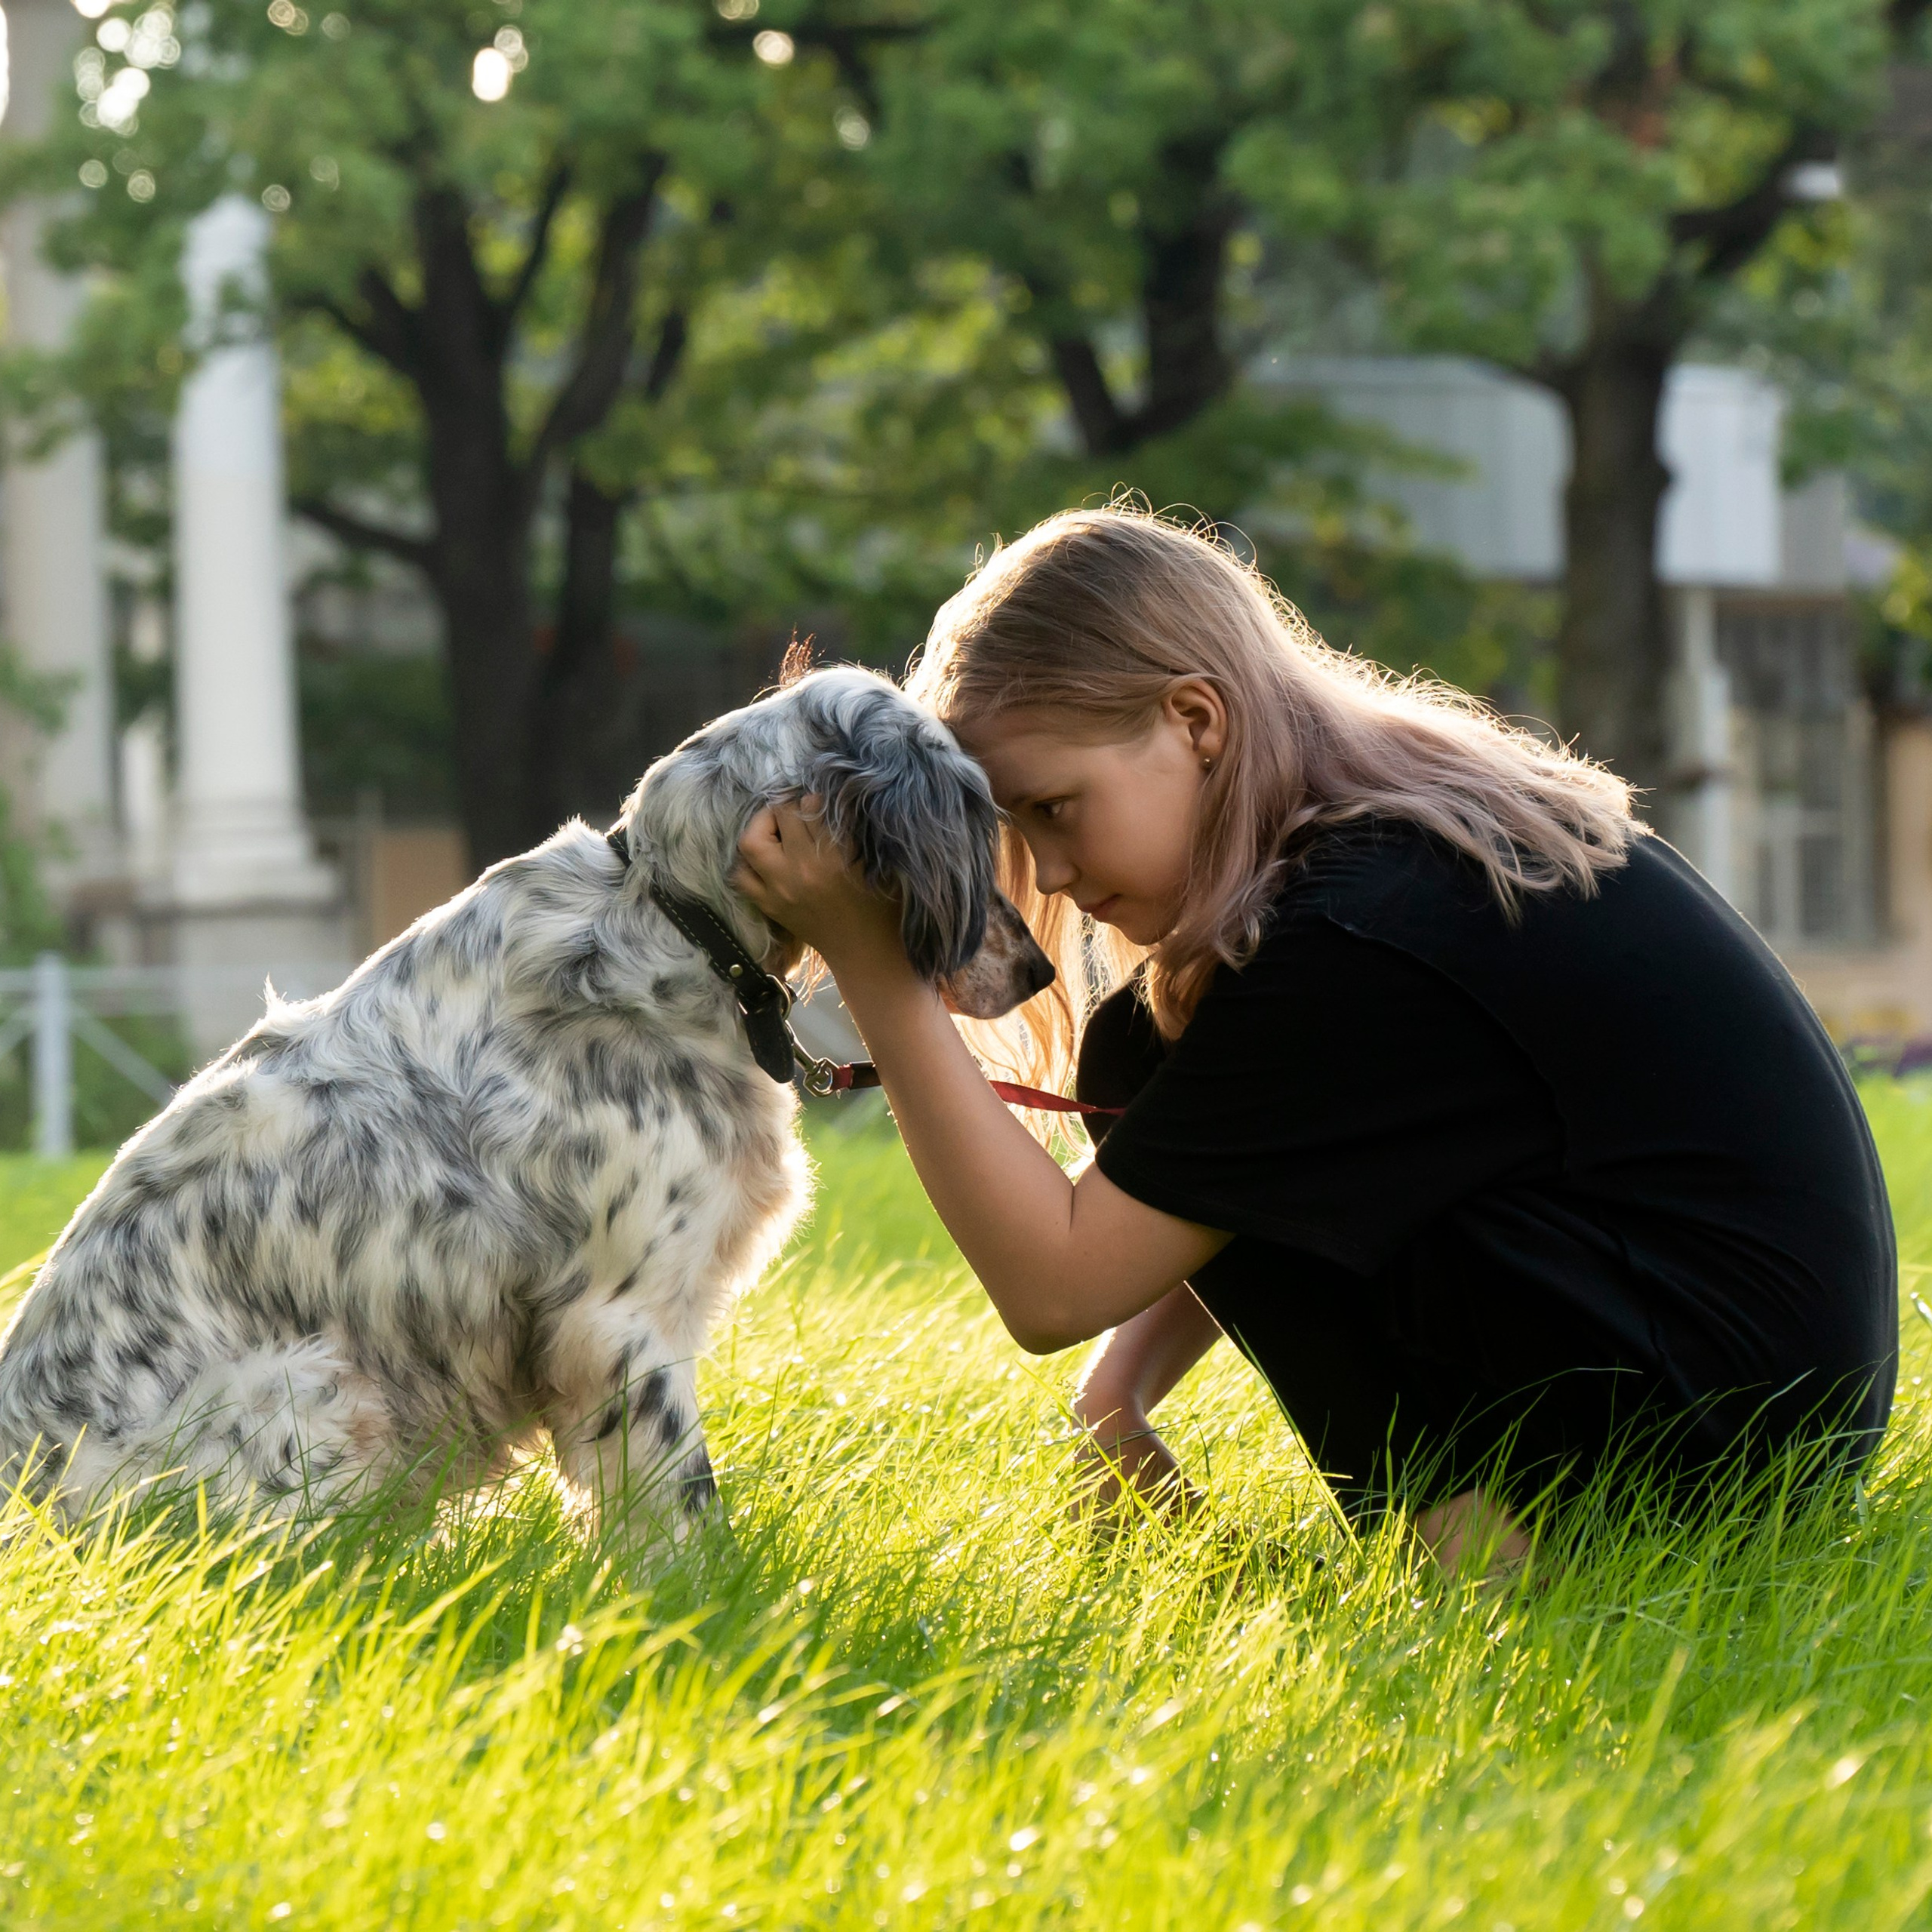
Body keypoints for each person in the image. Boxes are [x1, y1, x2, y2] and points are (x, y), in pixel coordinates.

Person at [732, 506, 1897, 1573]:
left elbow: (1052, 1283)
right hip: (1756, 1397)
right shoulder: (1382, 857)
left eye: (1054, 807)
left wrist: (877, 969)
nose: (1047, 873)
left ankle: (1490, 1559)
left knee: (1164, 1058)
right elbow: (1265, 1159)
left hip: (1720, 1448)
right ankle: (1489, 1531)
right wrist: (1117, 1395)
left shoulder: (1354, 935)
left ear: (1195, 720)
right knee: (1145, 1054)